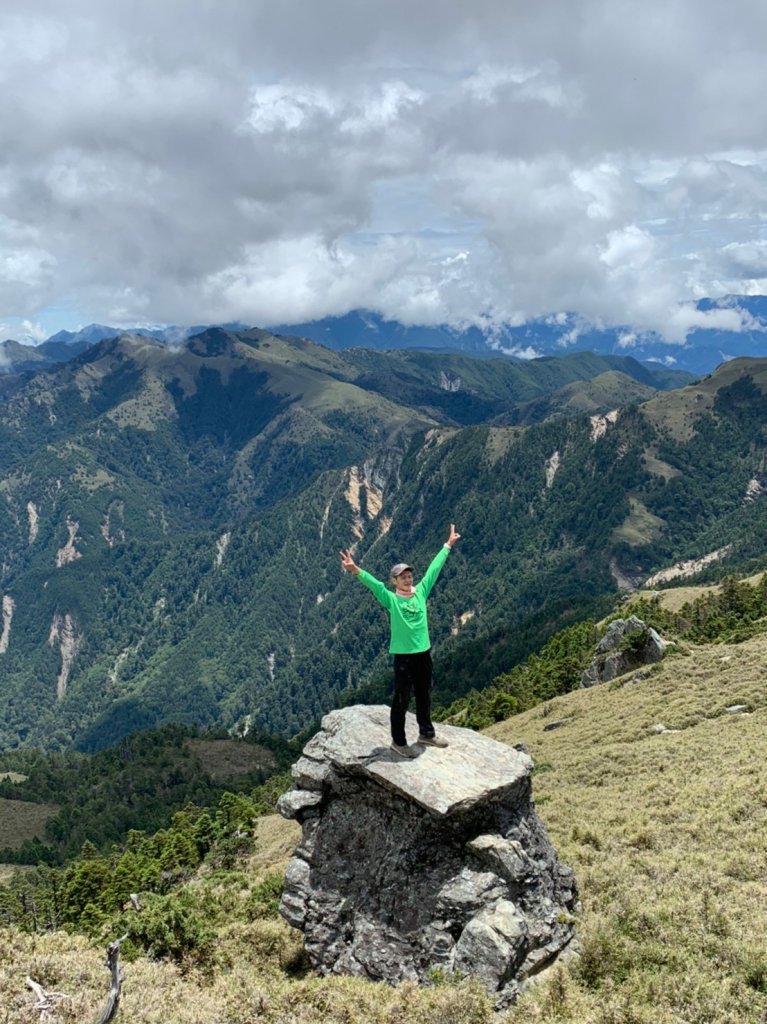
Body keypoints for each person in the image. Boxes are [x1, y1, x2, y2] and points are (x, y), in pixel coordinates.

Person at [339, 524, 461, 758]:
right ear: (394, 581)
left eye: (409, 576)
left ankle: (426, 733)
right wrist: (356, 570)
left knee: (424, 693)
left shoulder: (421, 592)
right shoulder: (391, 600)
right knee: (402, 698)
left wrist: (448, 545)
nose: (407, 579)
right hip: (404, 657)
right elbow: (375, 585)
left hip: (423, 653)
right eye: (402, 577)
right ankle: (398, 741)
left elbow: (434, 569)